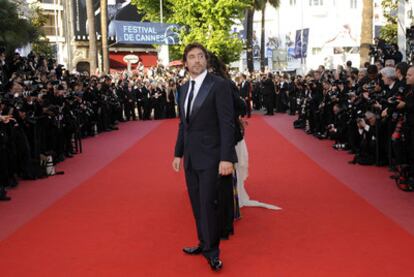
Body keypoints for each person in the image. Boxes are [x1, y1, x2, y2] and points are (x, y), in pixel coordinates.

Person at [172, 42, 237, 271]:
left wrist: (227, 158)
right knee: (197, 204)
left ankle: (212, 251)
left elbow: (227, 124)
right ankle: (203, 242)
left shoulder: (218, 85)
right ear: (186, 62)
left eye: (201, 56)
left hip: (212, 157)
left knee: (209, 204)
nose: (197, 60)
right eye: (192, 57)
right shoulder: (183, 88)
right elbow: (184, 125)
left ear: (206, 60)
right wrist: (178, 153)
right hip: (191, 157)